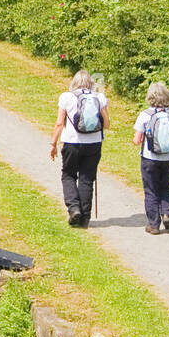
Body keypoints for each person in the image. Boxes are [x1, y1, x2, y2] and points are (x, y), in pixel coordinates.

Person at [50, 70, 110, 227]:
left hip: (72, 142)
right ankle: (85, 219)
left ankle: (74, 208)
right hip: (94, 143)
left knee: (68, 174)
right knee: (87, 178)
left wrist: (53, 143)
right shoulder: (99, 97)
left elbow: (59, 123)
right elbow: (107, 124)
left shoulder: (66, 97)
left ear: (74, 82)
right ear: (90, 83)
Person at [132, 82, 169, 235]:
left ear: (150, 96)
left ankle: (154, 225)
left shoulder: (145, 115)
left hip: (150, 158)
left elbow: (137, 140)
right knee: (164, 185)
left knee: (150, 189)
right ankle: (167, 214)